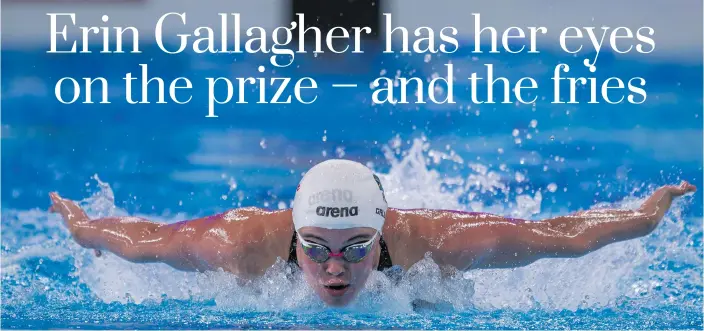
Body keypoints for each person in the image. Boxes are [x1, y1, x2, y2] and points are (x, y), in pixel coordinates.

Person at [49, 159, 696, 307]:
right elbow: (140, 237)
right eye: (319, 248)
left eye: (357, 247)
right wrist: (83, 228)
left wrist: (639, 216)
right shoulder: (240, 245)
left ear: (381, 234)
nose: (336, 266)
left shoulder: (430, 242)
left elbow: (556, 234)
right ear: (295, 236)